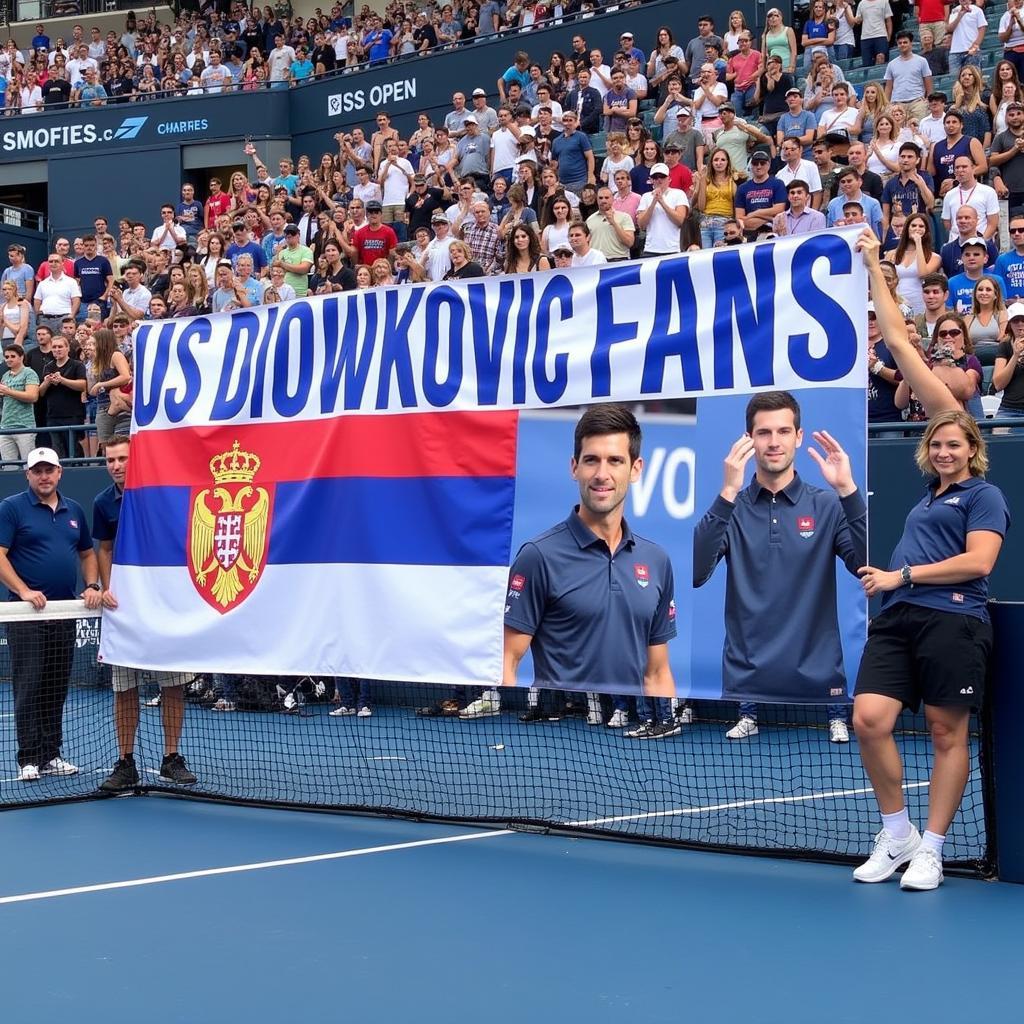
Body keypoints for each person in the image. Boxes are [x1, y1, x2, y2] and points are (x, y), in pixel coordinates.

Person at [853, 411, 1008, 890]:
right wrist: (896, 586)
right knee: (869, 719)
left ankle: (932, 851)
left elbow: (979, 561)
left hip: (954, 618)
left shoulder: (984, 495)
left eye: (954, 445)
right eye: (937, 444)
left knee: (946, 733)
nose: (944, 452)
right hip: (898, 618)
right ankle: (898, 835)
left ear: (972, 450)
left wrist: (901, 575)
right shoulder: (927, 499)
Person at [499, 404, 679, 739]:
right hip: (555, 750)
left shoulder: (657, 561)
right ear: (574, 467)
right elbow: (507, 663)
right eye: (591, 460)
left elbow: (657, 671)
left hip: (636, 753)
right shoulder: (538, 556)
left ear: (636, 469)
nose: (601, 474)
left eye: (615, 461)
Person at [693, 392, 864, 743]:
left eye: (784, 432)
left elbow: (863, 565)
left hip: (823, 682)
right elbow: (697, 572)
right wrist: (727, 490)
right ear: (749, 439)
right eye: (764, 433)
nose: (774, 442)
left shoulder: (829, 504)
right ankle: (748, 712)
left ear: (798, 438)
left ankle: (836, 714)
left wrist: (848, 490)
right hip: (746, 678)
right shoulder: (732, 506)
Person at [93, 437, 197, 791]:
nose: (116, 465)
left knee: (174, 685)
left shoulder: (160, 496)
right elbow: (103, 549)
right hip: (124, 614)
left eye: (122, 458)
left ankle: (171, 758)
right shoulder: (103, 503)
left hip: (164, 607)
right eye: (110, 460)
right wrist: (108, 588)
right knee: (125, 689)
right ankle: (125, 762)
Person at [0, 447, 101, 781]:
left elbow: (88, 554)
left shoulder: (74, 511)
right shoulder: (11, 508)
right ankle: (28, 758)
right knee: (28, 686)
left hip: (63, 611)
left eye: (49, 470)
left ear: (60, 473)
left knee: (55, 685)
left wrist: (91, 585)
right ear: (27, 475)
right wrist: (25, 591)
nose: (44, 476)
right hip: (26, 614)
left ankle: (50, 754)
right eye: (37, 471)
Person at [37, 336, 87, 460]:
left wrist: (62, 380)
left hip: (73, 415)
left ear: (67, 348)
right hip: (53, 415)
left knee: (73, 451)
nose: (57, 349)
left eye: (60, 346)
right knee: (58, 453)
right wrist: (47, 382)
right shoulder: (48, 366)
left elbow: (82, 386)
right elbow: (41, 392)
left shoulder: (77, 365)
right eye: (54, 347)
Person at [636, 162, 689, 256]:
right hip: (650, 249)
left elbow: (680, 221)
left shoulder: (679, 194)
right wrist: (653, 202)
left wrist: (662, 202)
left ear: (669, 179)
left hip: (673, 249)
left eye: (662, 176)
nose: (659, 180)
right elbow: (641, 225)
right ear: (651, 180)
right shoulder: (645, 196)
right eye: (655, 177)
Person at [0, 344, 39, 464]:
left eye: (13, 356)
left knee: (29, 465)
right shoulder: (5, 375)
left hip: (24, 426)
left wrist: (8, 391)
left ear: (21, 357)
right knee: (8, 467)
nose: (9, 359)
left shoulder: (29, 373)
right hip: (5, 426)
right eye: (6, 357)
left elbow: (33, 396)